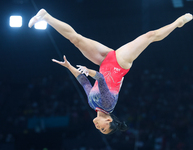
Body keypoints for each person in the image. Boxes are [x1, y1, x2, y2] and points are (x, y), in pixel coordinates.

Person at [28, 8, 193, 134]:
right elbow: (100, 79)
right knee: (149, 36)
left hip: (104, 61)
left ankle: (46, 16)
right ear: (109, 120)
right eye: (104, 128)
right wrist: (88, 70)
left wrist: (68, 66)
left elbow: (84, 83)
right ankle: (177, 23)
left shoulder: (93, 104)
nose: (99, 128)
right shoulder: (108, 105)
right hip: (120, 63)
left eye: (100, 130)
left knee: (76, 39)